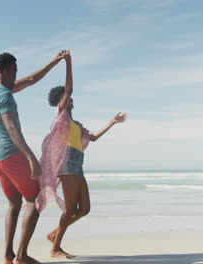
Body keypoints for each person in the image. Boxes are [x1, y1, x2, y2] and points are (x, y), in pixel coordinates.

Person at [35, 50, 127, 258]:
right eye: (68, 97)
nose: (71, 99)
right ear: (62, 101)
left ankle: (54, 235)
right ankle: (55, 248)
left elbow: (92, 138)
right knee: (69, 210)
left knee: (84, 209)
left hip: (78, 165)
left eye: (70, 98)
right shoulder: (62, 117)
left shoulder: (76, 125)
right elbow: (69, 88)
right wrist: (68, 61)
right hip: (67, 165)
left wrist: (112, 122)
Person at [0, 51, 65, 264]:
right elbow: (12, 128)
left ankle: (8, 255)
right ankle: (21, 256)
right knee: (35, 200)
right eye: (14, 71)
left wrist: (53, 62)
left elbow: (32, 80)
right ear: (6, 69)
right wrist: (31, 157)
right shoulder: (5, 96)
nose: (16, 75)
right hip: (12, 156)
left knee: (14, 202)